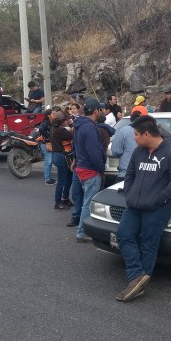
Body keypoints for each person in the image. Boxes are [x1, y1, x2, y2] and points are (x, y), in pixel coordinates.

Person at [115, 116, 171, 302]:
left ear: (147, 134)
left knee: (148, 245)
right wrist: (130, 195)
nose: (134, 138)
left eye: (136, 135)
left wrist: (156, 200)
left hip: (157, 209)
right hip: (134, 206)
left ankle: (137, 285)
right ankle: (136, 277)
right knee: (123, 235)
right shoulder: (139, 151)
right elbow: (130, 175)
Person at [72, 97, 106, 242]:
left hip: (81, 167)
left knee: (86, 200)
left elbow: (75, 145)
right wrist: (101, 168)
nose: (100, 112)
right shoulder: (90, 127)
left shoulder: (79, 125)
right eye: (99, 109)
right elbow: (94, 152)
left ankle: (83, 230)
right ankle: (82, 232)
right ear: (96, 111)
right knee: (89, 203)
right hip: (90, 170)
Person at [50, 112, 74, 210]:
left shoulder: (53, 129)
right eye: (66, 120)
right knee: (62, 180)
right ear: (62, 121)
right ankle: (58, 202)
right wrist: (71, 123)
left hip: (57, 155)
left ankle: (65, 198)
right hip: (62, 156)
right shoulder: (61, 130)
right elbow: (73, 133)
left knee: (69, 177)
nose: (67, 121)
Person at [39, 108, 55, 184]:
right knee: (48, 162)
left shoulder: (52, 122)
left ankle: (48, 177)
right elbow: (41, 129)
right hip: (45, 144)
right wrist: (47, 139)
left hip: (50, 144)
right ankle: (47, 179)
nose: (54, 115)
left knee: (50, 161)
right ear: (48, 115)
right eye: (53, 114)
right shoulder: (45, 123)